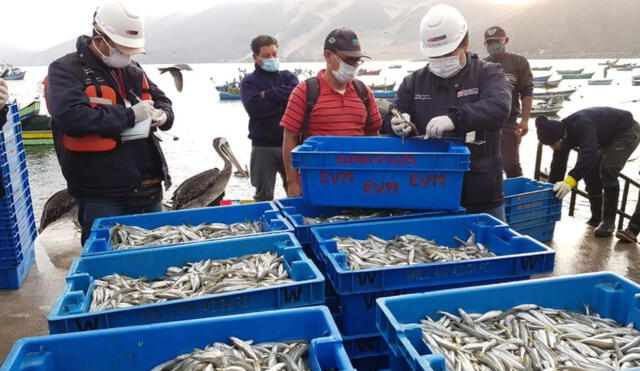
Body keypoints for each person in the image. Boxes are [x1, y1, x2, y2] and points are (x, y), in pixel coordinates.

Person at [46, 1, 174, 244]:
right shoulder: (65, 70)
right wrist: (130, 115)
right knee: (106, 255)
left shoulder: (134, 69)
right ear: (99, 38)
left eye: (131, 50)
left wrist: (164, 115)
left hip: (148, 184)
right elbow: (71, 118)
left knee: (155, 251)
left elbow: (162, 99)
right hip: (101, 193)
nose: (126, 55)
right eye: (121, 48)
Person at [385, 4, 512, 220]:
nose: (441, 60)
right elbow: (393, 113)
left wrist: (454, 119)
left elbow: (499, 107)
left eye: (447, 53)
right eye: (435, 56)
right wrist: (395, 123)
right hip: (428, 193)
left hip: (481, 195)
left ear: (465, 43)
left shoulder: (488, 73)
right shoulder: (414, 82)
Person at [280, 28, 382, 197]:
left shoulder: (363, 92)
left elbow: (373, 135)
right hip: (315, 183)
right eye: (348, 60)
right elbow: (289, 138)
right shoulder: (305, 92)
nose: (353, 66)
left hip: (359, 183)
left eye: (357, 61)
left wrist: (377, 175)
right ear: (328, 56)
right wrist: (292, 183)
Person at [537, 107, 640, 237]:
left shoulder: (582, 124)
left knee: (608, 168)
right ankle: (597, 218)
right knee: (589, 172)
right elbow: (557, 168)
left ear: (562, 137)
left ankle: (608, 222)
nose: (552, 147)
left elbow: (589, 154)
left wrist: (570, 180)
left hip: (626, 131)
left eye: (553, 144)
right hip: (605, 137)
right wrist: (550, 192)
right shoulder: (560, 133)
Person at [241, 35, 298, 201]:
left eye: (274, 54)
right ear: (255, 57)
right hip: (263, 147)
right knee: (263, 195)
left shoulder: (288, 76)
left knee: (295, 190)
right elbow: (255, 109)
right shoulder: (249, 81)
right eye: (266, 56)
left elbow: (297, 97)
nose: (271, 58)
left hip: (291, 145)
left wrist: (268, 95)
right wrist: (284, 101)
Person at [483, 26, 533, 178]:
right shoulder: (481, 65)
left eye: (496, 41)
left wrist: (524, 120)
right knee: (486, 165)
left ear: (506, 40)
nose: (493, 45)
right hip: (485, 123)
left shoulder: (519, 62)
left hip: (509, 121)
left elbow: (527, 92)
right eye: (489, 43)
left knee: (511, 165)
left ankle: (517, 195)